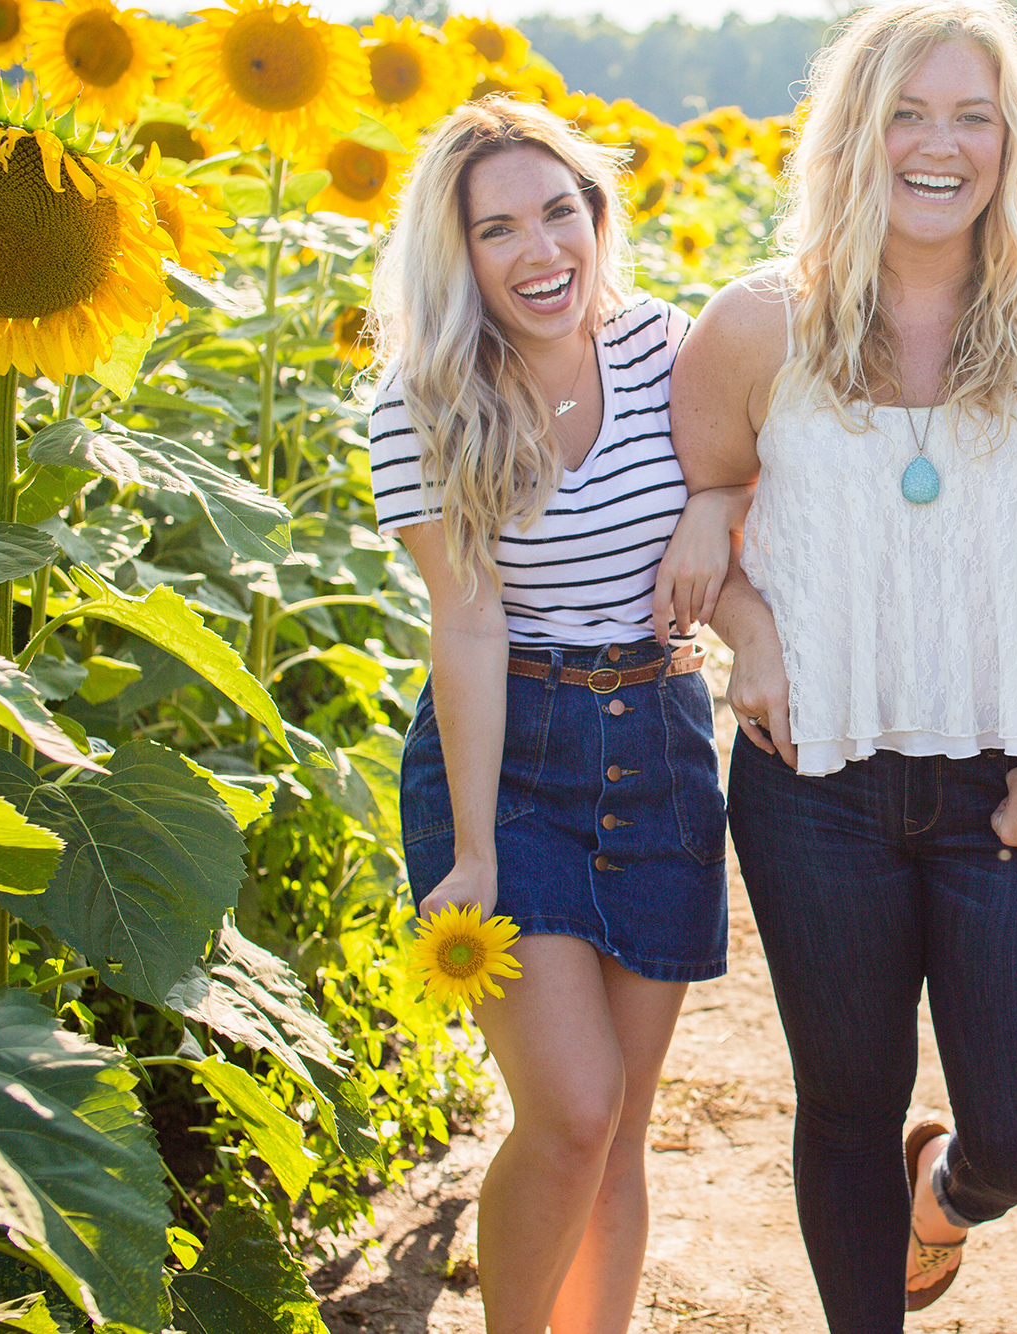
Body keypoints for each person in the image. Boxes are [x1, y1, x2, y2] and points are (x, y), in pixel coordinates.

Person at [664, 0, 1017, 1326]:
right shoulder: (755, 325)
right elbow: (704, 517)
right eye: (907, 111)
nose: (939, 146)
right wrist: (754, 631)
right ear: (853, 131)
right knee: (843, 1098)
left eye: (973, 115)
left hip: (1012, 791)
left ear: (1013, 141)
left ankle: (945, 1191)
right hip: (812, 785)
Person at [368, 98, 741, 1334]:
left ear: (597, 216)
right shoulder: (422, 398)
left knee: (623, 1121)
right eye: (498, 229)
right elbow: (467, 624)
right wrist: (471, 848)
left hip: (660, 743)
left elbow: (753, 456)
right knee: (571, 1107)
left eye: (558, 212)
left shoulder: (667, 349)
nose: (539, 252)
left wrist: (712, 504)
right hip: (507, 754)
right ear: (458, 253)